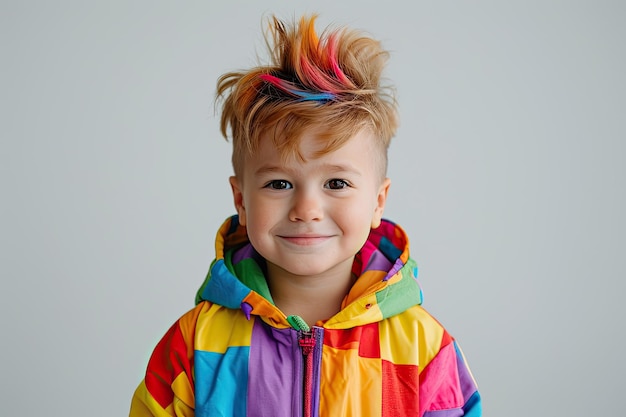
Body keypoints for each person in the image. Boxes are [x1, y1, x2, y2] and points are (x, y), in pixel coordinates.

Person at [129, 14, 481, 417]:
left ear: (378, 202)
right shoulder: (194, 345)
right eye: (279, 184)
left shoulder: (423, 348)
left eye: (336, 183)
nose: (306, 210)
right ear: (241, 200)